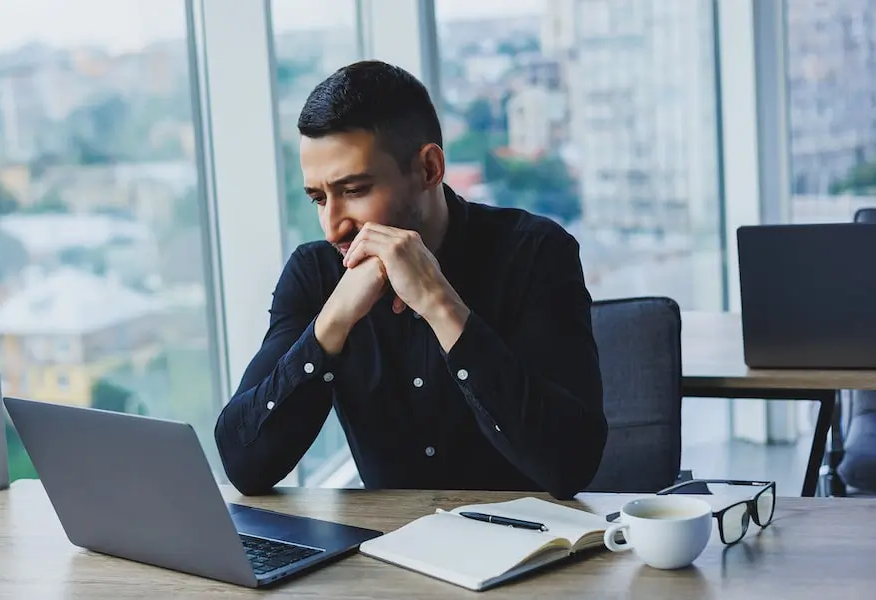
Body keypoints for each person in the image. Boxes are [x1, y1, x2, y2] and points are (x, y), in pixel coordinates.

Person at [213, 60, 606, 500]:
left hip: (532, 552)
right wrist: (332, 323)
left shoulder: (536, 252)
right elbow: (243, 465)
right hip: (383, 554)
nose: (332, 226)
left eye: (355, 190)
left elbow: (571, 464)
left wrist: (441, 305)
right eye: (319, 199)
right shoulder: (314, 273)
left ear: (429, 169)